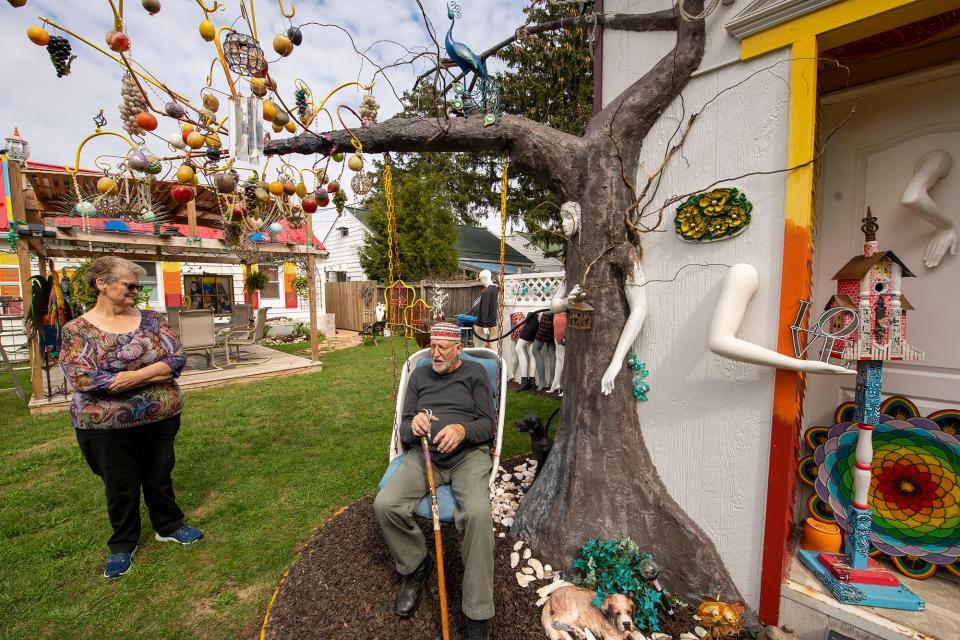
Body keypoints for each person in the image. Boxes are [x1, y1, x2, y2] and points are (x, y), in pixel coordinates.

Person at [59, 256, 203, 579]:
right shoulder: (77, 331)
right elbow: (85, 380)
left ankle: (168, 525)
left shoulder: (153, 321)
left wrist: (126, 378)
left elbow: (176, 359)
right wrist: (152, 374)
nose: (136, 291)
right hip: (105, 426)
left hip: (160, 417)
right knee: (119, 483)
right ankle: (123, 544)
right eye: (130, 285)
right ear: (102, 284)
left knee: (159, 473)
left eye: (138, 286)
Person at [374, 322, 496, 640]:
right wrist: (412, 425)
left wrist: (462, 430)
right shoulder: (419, 375)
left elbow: (488, 425)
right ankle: (416, 565)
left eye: (443, 347)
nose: (435, 353)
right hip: (425, 454)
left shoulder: (475, 375)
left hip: (468, 457)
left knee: (478, 515)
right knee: (386, 505)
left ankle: (477, 614)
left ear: (458, 348)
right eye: (432, 346)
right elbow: (401, 428)